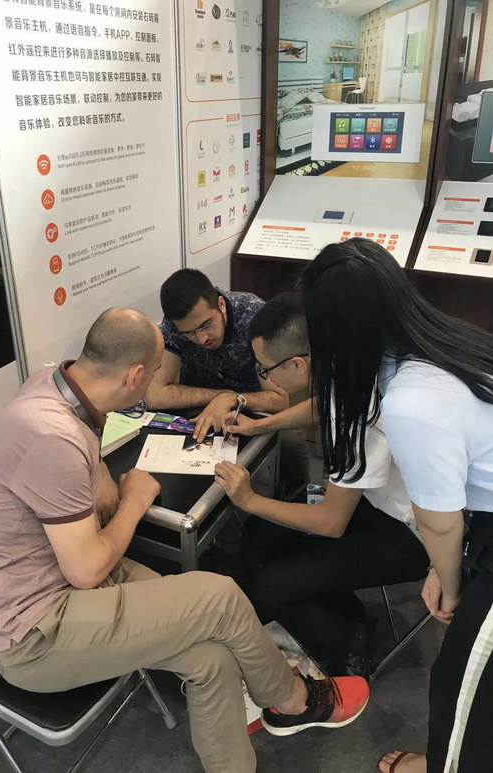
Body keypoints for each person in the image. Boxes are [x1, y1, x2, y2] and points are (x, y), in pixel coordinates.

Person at [0, 307, 369, 773]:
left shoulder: (61, 387)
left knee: (212, 658)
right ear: (134, 376)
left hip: (61, 584)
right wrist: (134, 502)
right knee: (220, 597)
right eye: (155, 372)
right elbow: (88, 568)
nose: (156, 382)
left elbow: (96, 493)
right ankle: (292, 700)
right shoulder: (50, 437)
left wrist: (112, 488)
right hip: (33, 634)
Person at [298, 238, 493, 773]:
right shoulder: (447, 342)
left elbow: (438, 521)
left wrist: (450, 584)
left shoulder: (412, 401)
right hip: (483, 522)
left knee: (460, 685)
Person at [214, 292, 429, 677]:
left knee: (270, 583)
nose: (263, 376)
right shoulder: (343, 361)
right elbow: (322, 403)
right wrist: (261, 425)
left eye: (264, 369)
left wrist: (248, 499)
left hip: (411, 534)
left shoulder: (360, 414)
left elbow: (332, 523)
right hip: (372, 500)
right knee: (261, 533)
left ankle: (351, 640)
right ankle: (338, 612)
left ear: (297, 364)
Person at [146, 267, 309, 498]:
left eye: (206, 325)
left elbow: (279, 400)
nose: (201, 339)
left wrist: (233, 399)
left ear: (221, 305)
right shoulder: (176, 326)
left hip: (254, 407)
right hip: (200, 408)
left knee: (290, 443)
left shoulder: (252, 316)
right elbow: (155, 395)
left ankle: (296, 504)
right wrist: (221, 397)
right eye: (189, 334)